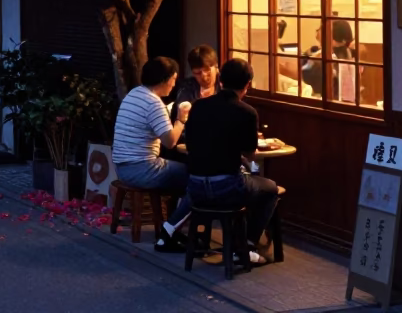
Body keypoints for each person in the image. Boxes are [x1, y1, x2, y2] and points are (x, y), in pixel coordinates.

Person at [184, 57, 279, 265]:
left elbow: (190, 143)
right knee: (270, 189)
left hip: (194, 187)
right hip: (227, 188)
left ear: (220, 81)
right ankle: (247, 245)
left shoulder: (198, 107)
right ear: (247, 84)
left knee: (249, 183)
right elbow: (250, 153)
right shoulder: (247, 112)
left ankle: (239, 243)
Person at [112, 56, 193, 252]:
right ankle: (170, 231)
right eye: (173, 79)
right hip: (142, 169)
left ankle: (172, 226)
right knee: (198, 178)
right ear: (165, 79)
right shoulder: (153, 103)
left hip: (123, 167)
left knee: (183, 175)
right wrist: (181, 120)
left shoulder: (135, 94)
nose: (174, 85)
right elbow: (170, 142)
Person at [170, 44, 219, 123]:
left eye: (207, 70)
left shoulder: (225, 84)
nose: (204, 77)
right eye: (198, 73)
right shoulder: (187, 88)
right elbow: (179, 118)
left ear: (216, 67)